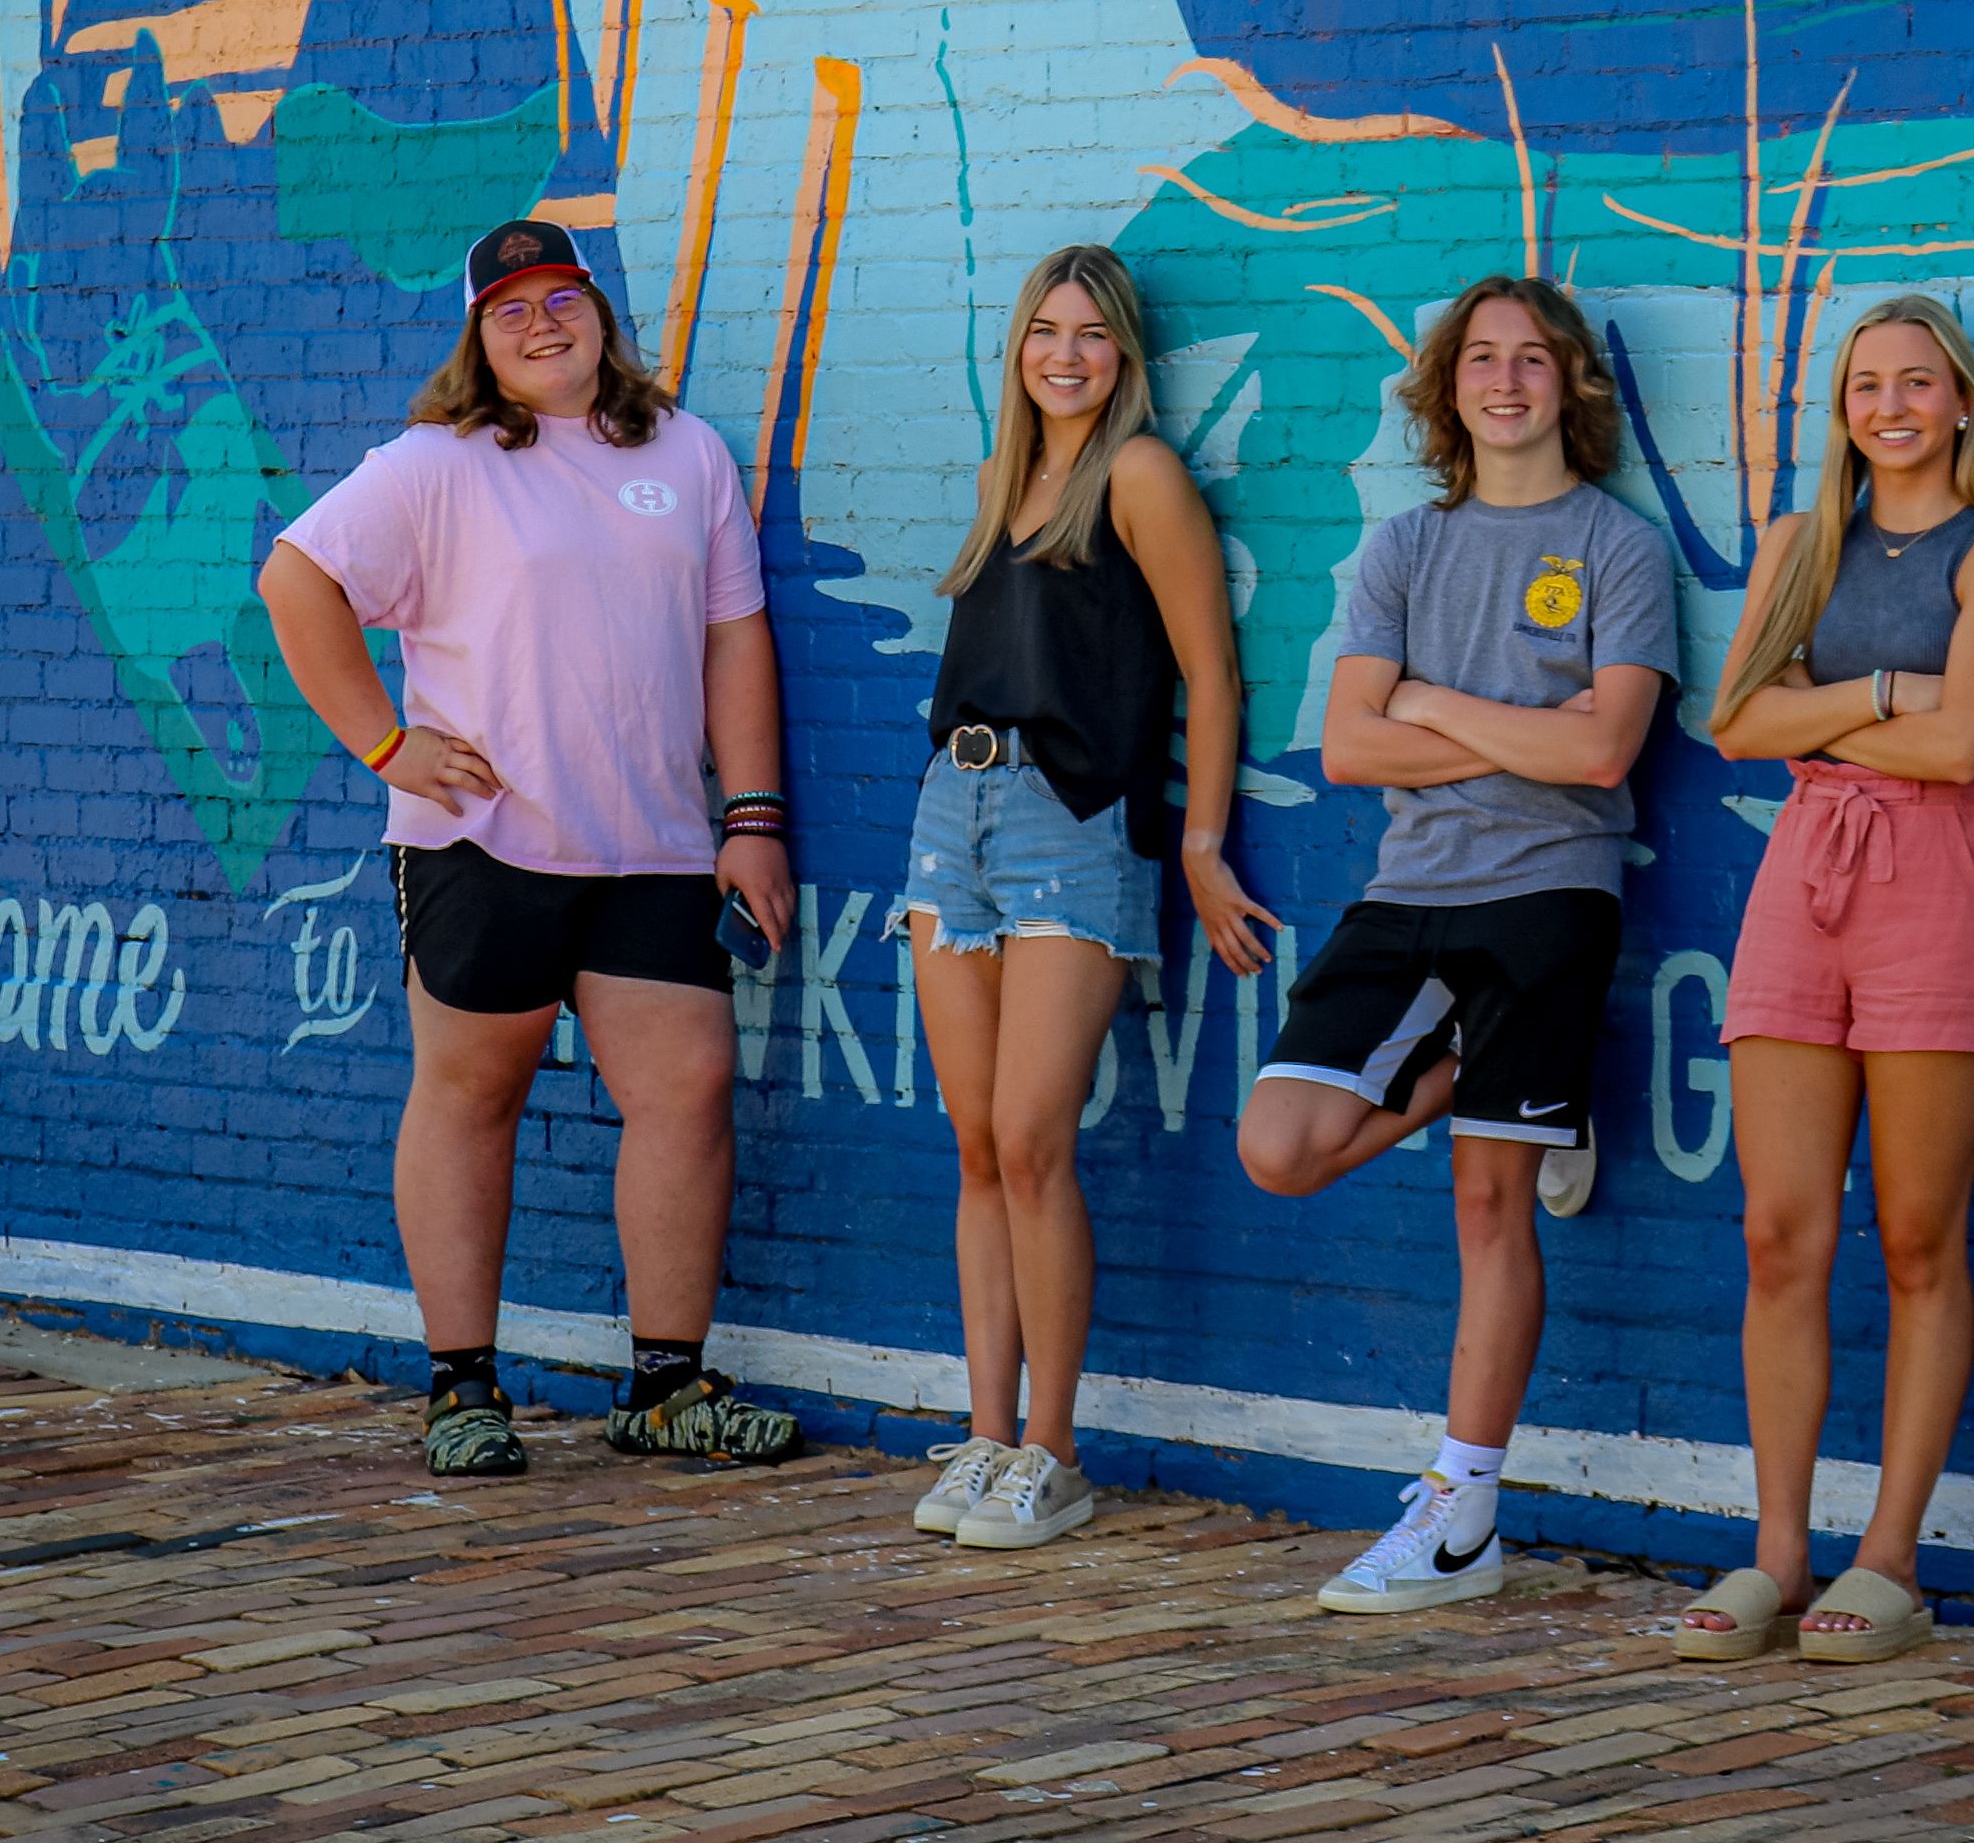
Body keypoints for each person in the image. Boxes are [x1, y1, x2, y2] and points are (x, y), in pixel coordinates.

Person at [259, 220, 806, 1480]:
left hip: (657, 846)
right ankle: (463, 1387)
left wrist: (755, 815)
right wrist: (388, 745)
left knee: (687, 1090)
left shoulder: (688, 452)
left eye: (564, 298)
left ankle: (666, 1386)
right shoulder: (435, 464)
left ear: (602, 315)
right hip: (483, 842)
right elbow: (296, 580)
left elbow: (735, 641)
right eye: (511, 311)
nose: (542, 323)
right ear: (478, 339)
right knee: (473, 1096)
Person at [1235, 275, 1675, 1613]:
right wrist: (1503, 724)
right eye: (1480, 359)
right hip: (1411, 888)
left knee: (1488, 1204)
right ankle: (1502, 1091)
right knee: (1280, 1146)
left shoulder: (1618, 549)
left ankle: (1463, 1516)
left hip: (1552, 890)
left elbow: (1604, 750)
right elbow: (1353, 746)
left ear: (1571, 387)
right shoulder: (1408, 549)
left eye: (1531, 358)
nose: (1505, 380)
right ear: (1447, 388)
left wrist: (1433, 697)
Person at [1679, 294, 1974, 1664]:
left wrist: (1833, 717)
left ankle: (1886, 1557)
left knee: (1913, 1238)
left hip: (1941, 889)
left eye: (1915, 382)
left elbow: (1967, 755)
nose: (1888, 405)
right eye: (1864, 385)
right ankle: (1778, 1551)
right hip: (1805, 883)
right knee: (1781, 1233)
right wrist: (1894, 694)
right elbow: (1732, 722)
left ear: (1959, 400)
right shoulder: (1798, 542)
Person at [899, 246, 1276, 1551]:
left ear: (1126, 355)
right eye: (1044, 331)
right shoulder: (1014, 480)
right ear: (1020, 350)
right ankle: (987, 1437)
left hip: (1074, 823)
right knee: (975, 1146)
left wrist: (1202, 846)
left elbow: (1209, 679)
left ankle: (1054, 1452)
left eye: (1092, 335)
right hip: (955, 813)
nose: (1066, 354)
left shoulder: (1140, 475)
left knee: (1031, 1139)